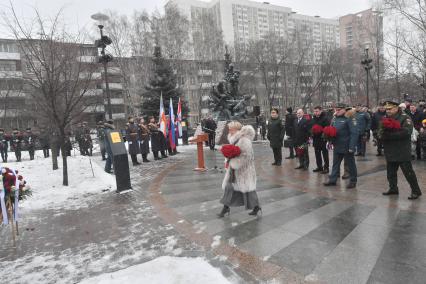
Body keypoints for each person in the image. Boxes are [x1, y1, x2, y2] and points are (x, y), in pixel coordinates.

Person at [217, 121, 261, 217]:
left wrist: (234, 162)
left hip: (244, 170)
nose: (229, 130)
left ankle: (256, 207)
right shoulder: (233, 139)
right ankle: (225, 208)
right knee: (229, 187)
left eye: (231, 129)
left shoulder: (244, 140)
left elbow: (247, 156)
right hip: (234, 169)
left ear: (236, 129)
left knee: (248, 190)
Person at [380, 101, 422, 200]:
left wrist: (389, 136)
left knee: (408, 173)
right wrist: (380, 134)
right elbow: (381, 130)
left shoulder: (405, 117)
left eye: (389, 109)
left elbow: (407, 132)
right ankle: (393, 188)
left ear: (396, 108)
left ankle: (416, 191)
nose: (388, 111)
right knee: (390, 173)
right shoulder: (386, 118)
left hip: (402, 150)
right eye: (386, 109)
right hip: (390, 150)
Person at [323, 103, 358, 189]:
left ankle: (353, 181)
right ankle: (333, 180)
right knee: (335, 164)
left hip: (347, 146)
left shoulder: (349, 118)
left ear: (344, 110)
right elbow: (332, 129)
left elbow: (354, 133)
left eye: (339, 110)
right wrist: (328, 137)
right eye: (336, 110)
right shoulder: (335, 118)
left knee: (351, 165)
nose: (337, 111)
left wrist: (352, 147)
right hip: (337, 145)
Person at [311, 106, 330, 174]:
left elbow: (327, 128)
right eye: (315, 111)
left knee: (325, 154)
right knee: (317, 154)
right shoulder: (313, 118)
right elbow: (311, 127)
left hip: (323, 139)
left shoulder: (325, 118)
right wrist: (312, 132)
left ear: (321, 111)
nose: (315, 113)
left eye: (317, 111)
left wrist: (321, 131)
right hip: (316, 139)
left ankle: (326, 168)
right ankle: (319, 167)